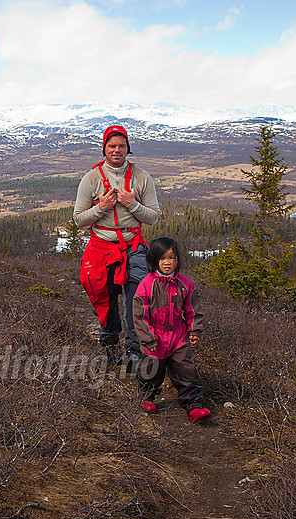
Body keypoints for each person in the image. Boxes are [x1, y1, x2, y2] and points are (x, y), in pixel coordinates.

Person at [74, 125, 161, 370]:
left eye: (121, 146)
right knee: (106, 298)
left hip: (133, 247)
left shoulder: (141, 177)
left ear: (128, 149)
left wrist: (131, 204)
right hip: (101, 248)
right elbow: (79, 219)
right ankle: (110, 347)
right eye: (112, 145)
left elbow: (153, 216)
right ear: (104, 148)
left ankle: (134, 351)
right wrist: (100, 207)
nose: (116, 150)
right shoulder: (91, 178)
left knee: (137, 301)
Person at [132, 237, 211, 423]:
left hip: (178, 337)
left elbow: (193, 310)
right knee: (150, 369)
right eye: (162, 258)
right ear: (153, 260)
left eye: (171, 257)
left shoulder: (186, 284)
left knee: (186, 371)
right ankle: (146, 399)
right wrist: (148, 339)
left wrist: (194, 331)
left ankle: (194, 406)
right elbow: (139, 316)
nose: (167, 262)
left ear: (177, 260)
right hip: (155, 336)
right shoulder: (146, 285)